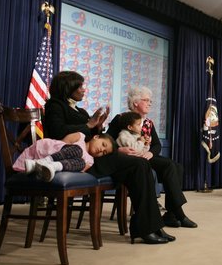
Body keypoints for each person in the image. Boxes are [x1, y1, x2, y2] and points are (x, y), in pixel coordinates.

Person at [43, 71, 175, 244]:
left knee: (141, 165)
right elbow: (56, 133)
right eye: (80, 86)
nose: (84, 90)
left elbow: (93, 135)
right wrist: (88, 125)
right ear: (69, 87)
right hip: (81, 156)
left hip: (99, 155)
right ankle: (146, 227)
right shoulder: (55, 105)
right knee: (139, 165)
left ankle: (152, 225)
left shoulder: (80, 110)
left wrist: (98, 126)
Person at [107, 86, 198, 228]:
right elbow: (108, 140)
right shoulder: (122, 119)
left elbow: (156, 145)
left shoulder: (148, 123)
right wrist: (120, 149)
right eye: (146, 100)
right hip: (130, 158)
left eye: (150, 101)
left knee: (177, 166)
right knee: (169, 165)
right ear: (135, 102)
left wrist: (150, 153)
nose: (150, 103)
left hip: (145, 155)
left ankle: (172, 214)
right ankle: (177, 213)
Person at [13, 131, 114, 182]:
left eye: (104, 153)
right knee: (77, 150)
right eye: (103, 145)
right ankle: (43, 161)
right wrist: (74, 153)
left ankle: (46, 166)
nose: (101, 150)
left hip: (61, 167)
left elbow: (80, 171)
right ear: (96, 137)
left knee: (81, 162)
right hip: (52, 153)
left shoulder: (90, 161)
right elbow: (61, 145)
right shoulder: (80, 137)